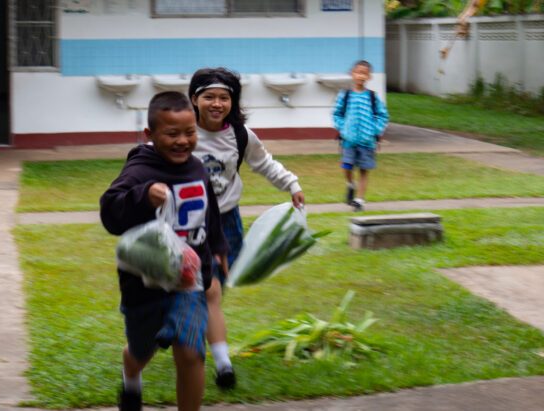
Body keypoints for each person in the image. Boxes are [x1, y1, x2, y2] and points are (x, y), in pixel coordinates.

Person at [100, 91, 229, 411]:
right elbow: (109, 213)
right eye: (172, 134)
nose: (183, 141)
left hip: (189, 282)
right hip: (144, 284)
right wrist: (142, 196)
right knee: (141, 351)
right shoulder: (140, 171)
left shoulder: (197, 167)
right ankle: (132, 378)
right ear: (150, 135)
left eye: (190, 132)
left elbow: (209, 210)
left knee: (190, 352)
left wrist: (218, 247)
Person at [188, 67, 305, 389]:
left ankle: (194, 332)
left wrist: (291, 183)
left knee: (216, 287)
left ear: (233, 101)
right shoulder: (183, 131)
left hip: (226, 221)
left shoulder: (240, 135)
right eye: (208, 96)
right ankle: (218, 358)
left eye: (224, 97)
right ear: (194, 99)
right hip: (188, 223)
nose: (216, 103)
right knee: (201, 288)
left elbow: (264, 163)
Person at [332, 60, 390, 212]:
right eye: (358, 72)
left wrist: (375, 130)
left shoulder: (372, 97)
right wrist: (343, 128)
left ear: (369, 76)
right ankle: (350, 184)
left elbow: (383, 115)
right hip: (348, 140)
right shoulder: (344, 96)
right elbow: (337, 114)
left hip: (367, 141)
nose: (361, 76)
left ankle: (359, 200)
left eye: (364, 73)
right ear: (352, 74)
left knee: (364, 170)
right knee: (346, 166)